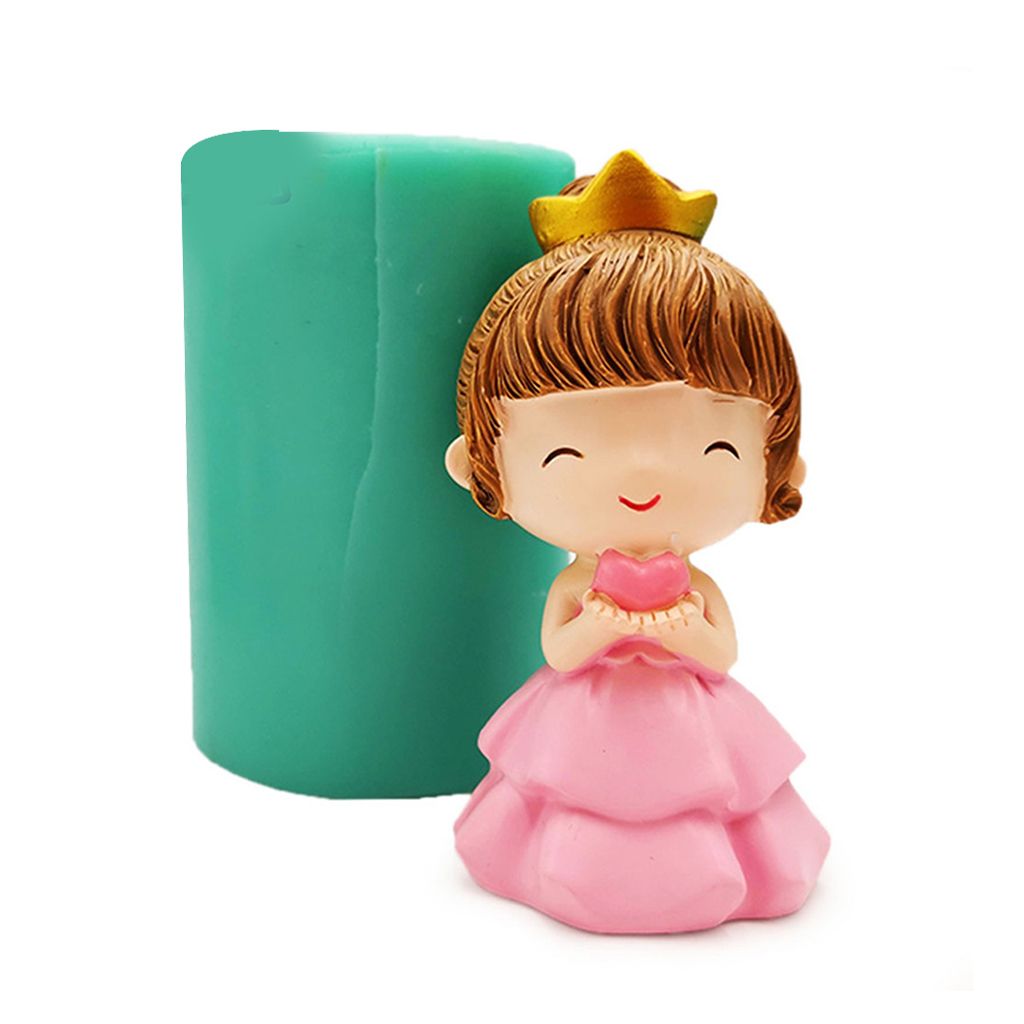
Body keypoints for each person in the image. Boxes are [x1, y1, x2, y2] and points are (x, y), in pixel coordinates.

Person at [443, 151, 829, 934]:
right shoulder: (575, 582)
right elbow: (560, 652)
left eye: (716, 448)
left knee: (708, 806)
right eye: (566, 453)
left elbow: (721, 655)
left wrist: (683, 631)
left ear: (775, 463)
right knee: (575, 809)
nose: (642, 477)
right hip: (584, 722)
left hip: (689, 726)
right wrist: (602, 624)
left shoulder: (693, 583)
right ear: (481, 467)